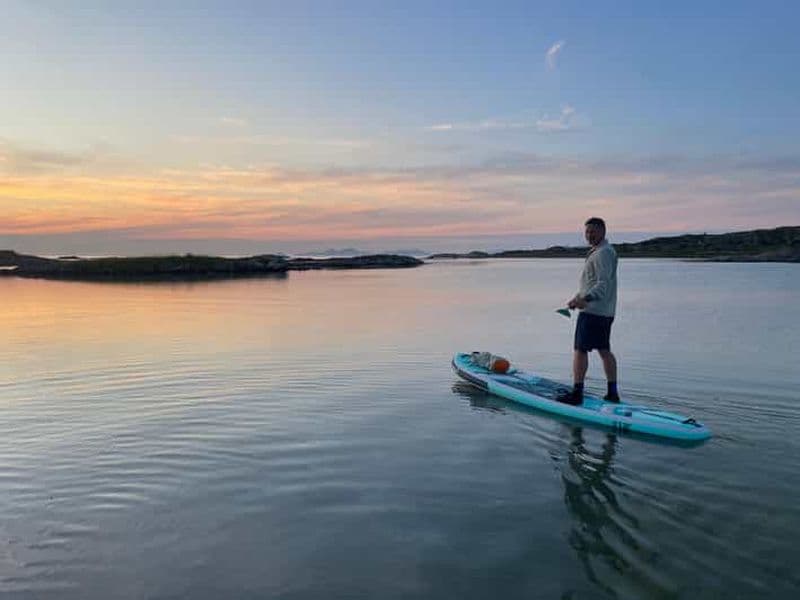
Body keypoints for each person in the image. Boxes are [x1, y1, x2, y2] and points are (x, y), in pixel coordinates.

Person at [557, 217, 620, 405]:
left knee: (580, 350)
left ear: (603, 231)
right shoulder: (603, 252)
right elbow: (592, 283)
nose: (589, 235)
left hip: (593, 311)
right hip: (603, 311)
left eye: (593, 231)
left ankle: (577, 394)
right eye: (587, 232)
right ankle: (612, 393)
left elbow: (602, 285)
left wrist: (584, 300)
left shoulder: (603, 253)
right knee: (604, 350)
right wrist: (577, 297)